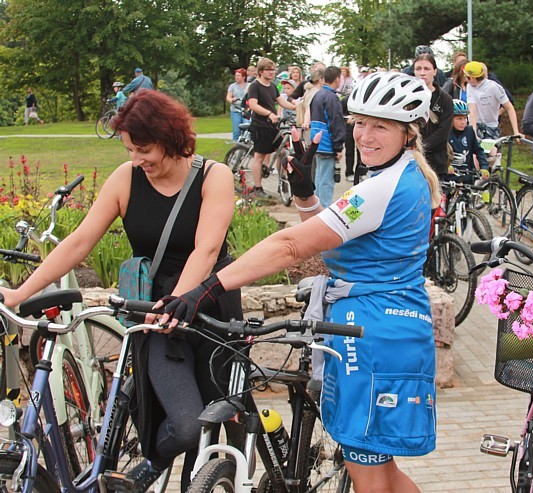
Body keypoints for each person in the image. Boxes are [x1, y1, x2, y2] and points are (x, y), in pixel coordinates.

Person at [158, 72, 440, 493]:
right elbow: (336, 241)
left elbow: (291, 246)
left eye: (380, 125)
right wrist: (307, 197)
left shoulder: (384, 186)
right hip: (387, 329)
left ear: (409, 132)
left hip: (372, 337)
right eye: (360, 121)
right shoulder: (399, 176)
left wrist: (208, 288)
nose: (364, 134)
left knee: (371, 477)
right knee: (382, 470)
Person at [0, 89, 243, 493]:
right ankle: (144, 470)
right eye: (130, 150)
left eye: (143, 149)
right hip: (155, 312)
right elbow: (79, 242)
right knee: (186, 427)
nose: (136, 159)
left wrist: (174, 304)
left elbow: (207, 249)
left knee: (223, 425)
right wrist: (20, 292)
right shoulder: (126, 180)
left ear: (169, 138)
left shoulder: (213, 176)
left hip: (210, 307)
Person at [247, 57, 297, 198]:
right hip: (260, 125)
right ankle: (257, 187)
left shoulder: (273, 86)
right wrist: (269, 113)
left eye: (273, 70)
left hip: (273, 126)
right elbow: (253, 104)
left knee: (282, 152)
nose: (272, 73)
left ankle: (282, 183)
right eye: (268, 70)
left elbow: (281, 101)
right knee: (259, 156)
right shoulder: (255, 86)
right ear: (261, 71)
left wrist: (295, 106)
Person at [309, 66, 345, 207]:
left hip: (317, 143)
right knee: (326, 181)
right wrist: (338, 147)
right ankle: (323, 210)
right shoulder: (332, 98)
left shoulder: (317, 95)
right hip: (327, 144)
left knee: (319, 177)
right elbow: (335, 123)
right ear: (337, 78)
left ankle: (316, 207)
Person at [414, 53, 453, 176]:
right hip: (410, 159)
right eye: (418, 69)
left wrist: (421, 148)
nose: (422, 73)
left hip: (436, 161)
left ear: (435, 72)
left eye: (426, 69)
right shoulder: (408, 97)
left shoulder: (444, 99)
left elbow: (443, 132)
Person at [464, 61, 521, 140]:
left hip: (491, 127)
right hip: (476, 125)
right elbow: (472, 110)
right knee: (475, 150)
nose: (465, 79)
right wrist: (473, 133)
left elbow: (509, 108)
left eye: (467, 77)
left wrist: (516, 131)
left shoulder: (494, 87)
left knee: (492, 151)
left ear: (473, 78)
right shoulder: (469, 86)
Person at [448, 99, 489, 173]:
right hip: (450, 176)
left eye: (465, 118)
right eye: (459, 119)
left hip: (468, 174)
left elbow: (479, 151)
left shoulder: (469, 131)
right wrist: (445, 166)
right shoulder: (445, 134)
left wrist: (484, 167)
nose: (463, 122)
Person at [226, 68, 249, 142]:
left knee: (248, 127)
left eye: (239, 76)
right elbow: (228, 97)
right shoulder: (232, 86)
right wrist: (231, 100)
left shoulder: (249, 85)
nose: (237, 77)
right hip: (235, 110)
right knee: (236, 130)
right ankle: (235, 148)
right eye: (236, 76)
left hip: (246, 110)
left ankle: (246, 146)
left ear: (243, 77)